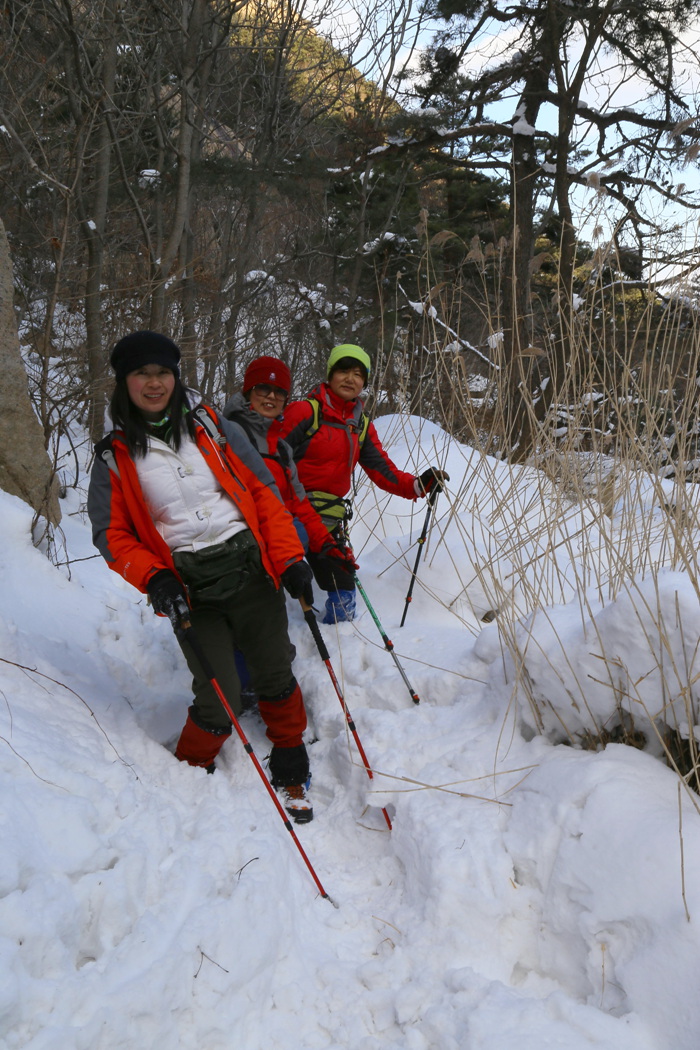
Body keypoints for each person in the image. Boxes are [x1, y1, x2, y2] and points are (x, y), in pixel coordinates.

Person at [87, 331, 316, 823]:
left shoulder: (211, 426)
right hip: (190, 589)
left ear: (176, 376)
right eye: (141, 374)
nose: (154, 383)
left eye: (162, 372)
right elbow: (111, 535)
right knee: (219, 694)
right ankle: (189, 770)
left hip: (251, 569)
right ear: (124, 382)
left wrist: (290, 559)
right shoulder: (114, 455)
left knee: (275, 672)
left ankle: (291, 755)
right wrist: (154, 578)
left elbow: (263, 496)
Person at [273, 343, 449, 624]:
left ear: (364, 382)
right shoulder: (305, 412)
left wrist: (419, 484)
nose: (350, 378)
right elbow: (271, 458)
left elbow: (383, 470)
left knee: (344, 597)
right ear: (330, 375)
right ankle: (270, 634)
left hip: (330, 521)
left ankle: (336, 642)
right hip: (291, 514)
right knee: (275, 575)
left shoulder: (361, 425)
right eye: (343, 370)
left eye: (358, 374)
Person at [222, 354, 358, 578]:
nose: (271, 397)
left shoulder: (281, 450)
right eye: (263, 388)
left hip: (275, 549)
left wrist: (327, 544)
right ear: (248, 392)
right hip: (237, 551)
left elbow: (300, 504)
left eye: (280, 392)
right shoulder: (225, 436)